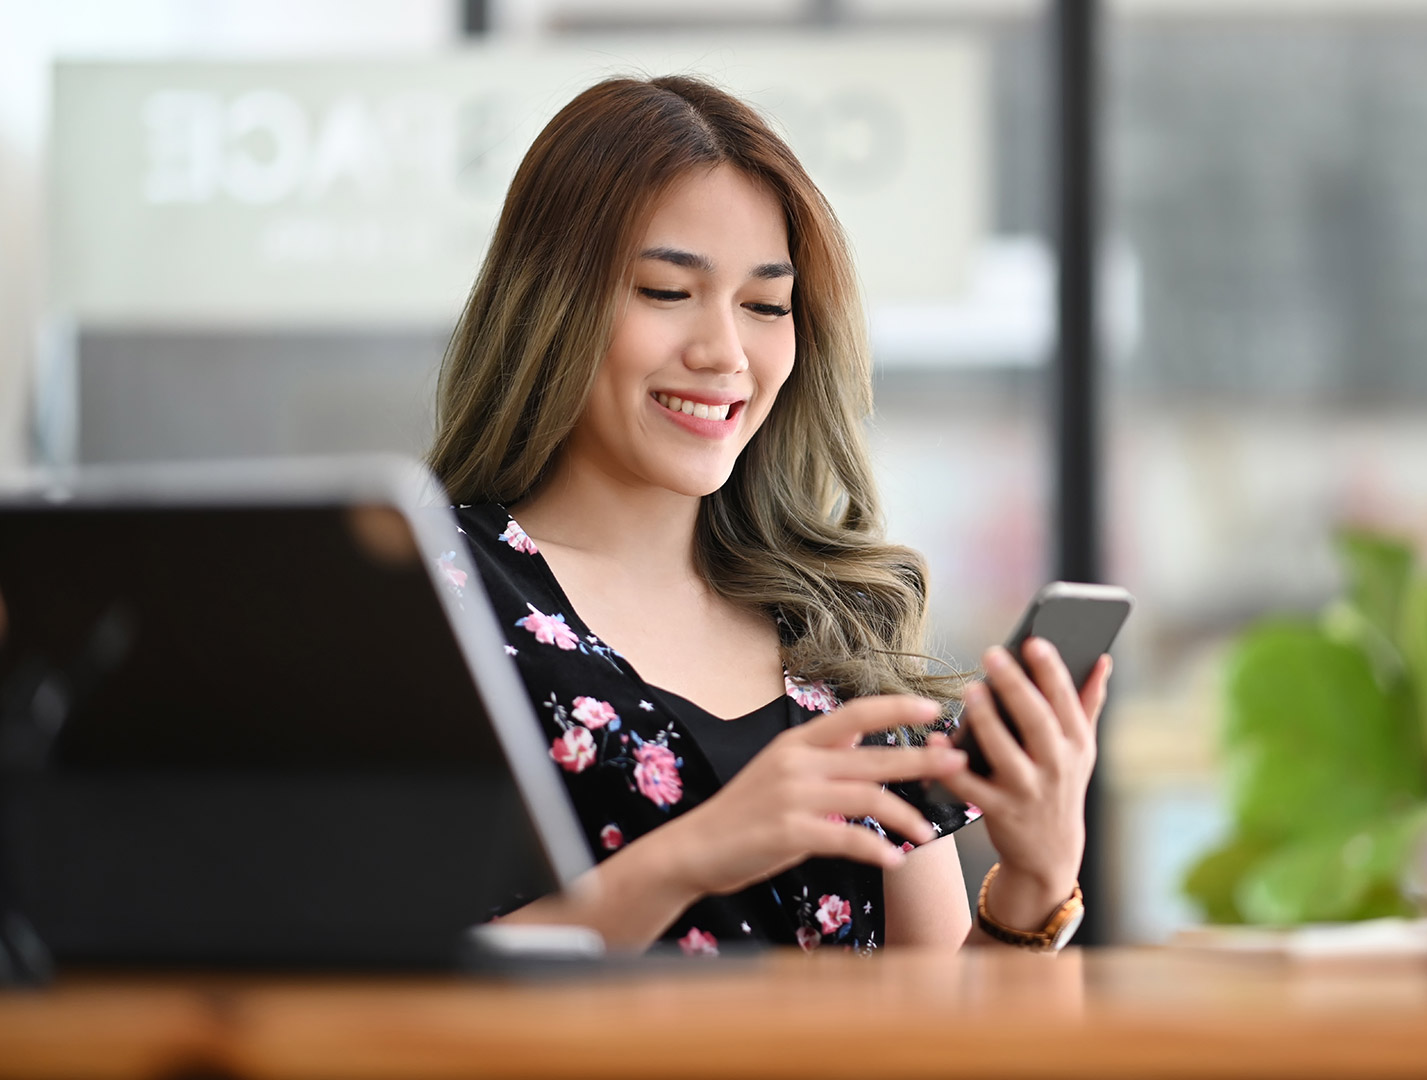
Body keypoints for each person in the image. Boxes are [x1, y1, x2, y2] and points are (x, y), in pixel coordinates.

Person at [428, 75, 1109, 953]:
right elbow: (380, 992)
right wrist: (691, 854)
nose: (725, 354)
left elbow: (938, 1033)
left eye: (764, 306)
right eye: (667, 293)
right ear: (550, 304)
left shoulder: (828, 619)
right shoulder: (435, 590)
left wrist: (1036, 883)